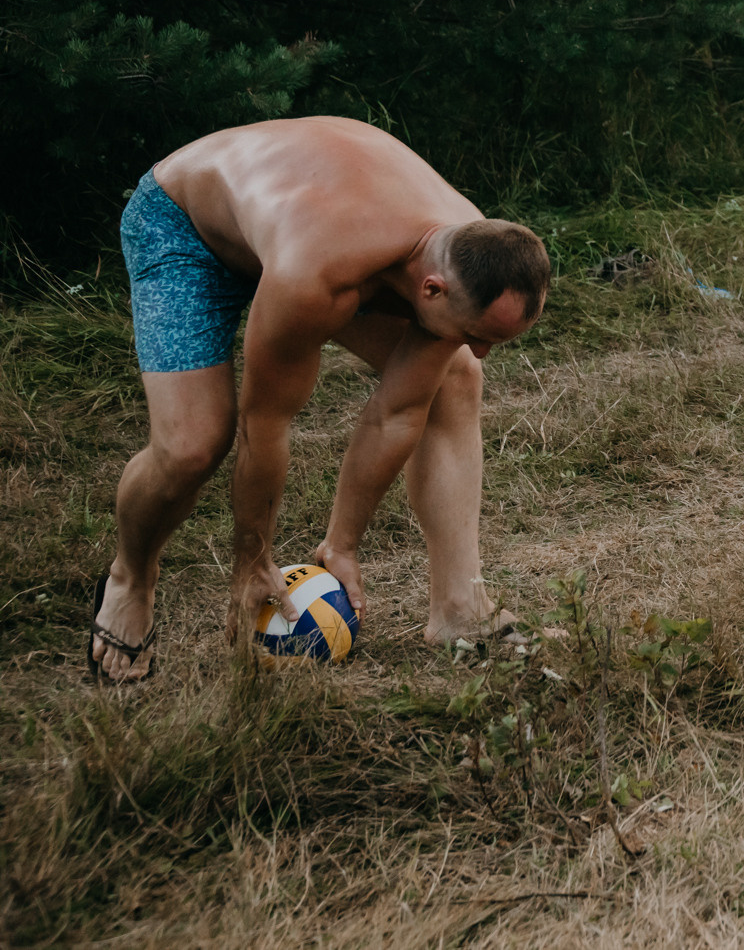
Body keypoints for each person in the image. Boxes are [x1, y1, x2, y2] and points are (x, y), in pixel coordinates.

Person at [89, 116, 551, 682]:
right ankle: (130, 578)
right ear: (432, 289)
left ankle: (460, 609)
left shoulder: (467, 248)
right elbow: (265, 424)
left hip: (304, 227)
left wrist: (344, 544)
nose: (481, 350)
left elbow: (398, 411)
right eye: (480, 333)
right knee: (192, 445)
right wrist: (253, 557)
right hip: (186, 227)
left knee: (454, 379)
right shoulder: (318, 273)